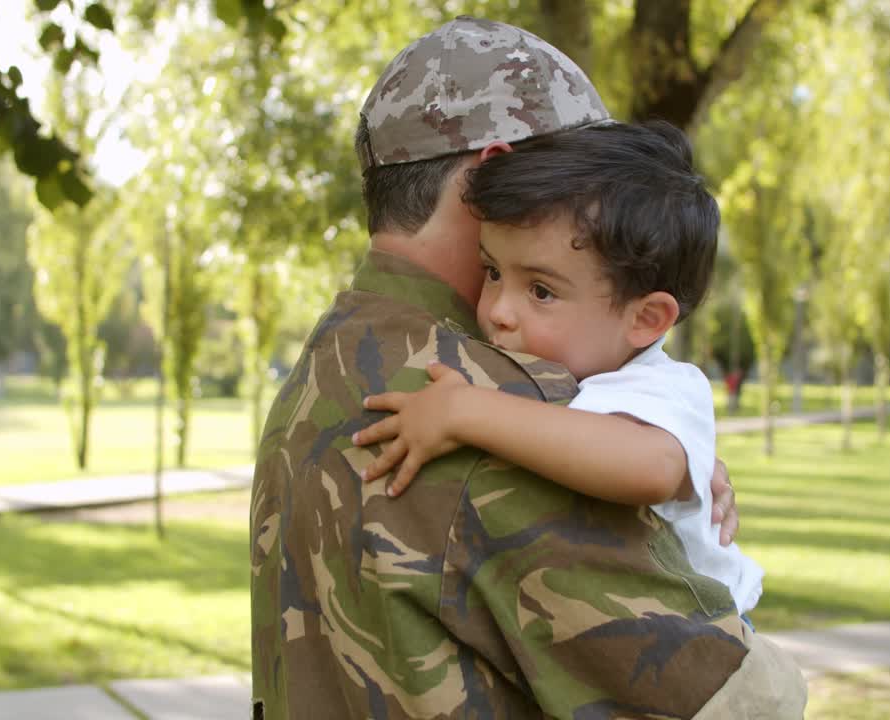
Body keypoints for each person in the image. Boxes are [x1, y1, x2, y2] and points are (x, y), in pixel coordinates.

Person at [249, 16, 805, 718]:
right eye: (578, 178)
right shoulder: (491, 407)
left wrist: (665, 455)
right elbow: (728, 699)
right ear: (492, 176)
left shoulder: (319, 370)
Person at [351, 120, 765, 620]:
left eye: (541, 291)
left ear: (646, 319)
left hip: (709, 639)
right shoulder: (579, 370)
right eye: (493, 272)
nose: (499, 310)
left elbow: (652, 468)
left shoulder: (665, 388)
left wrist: (468, 411)